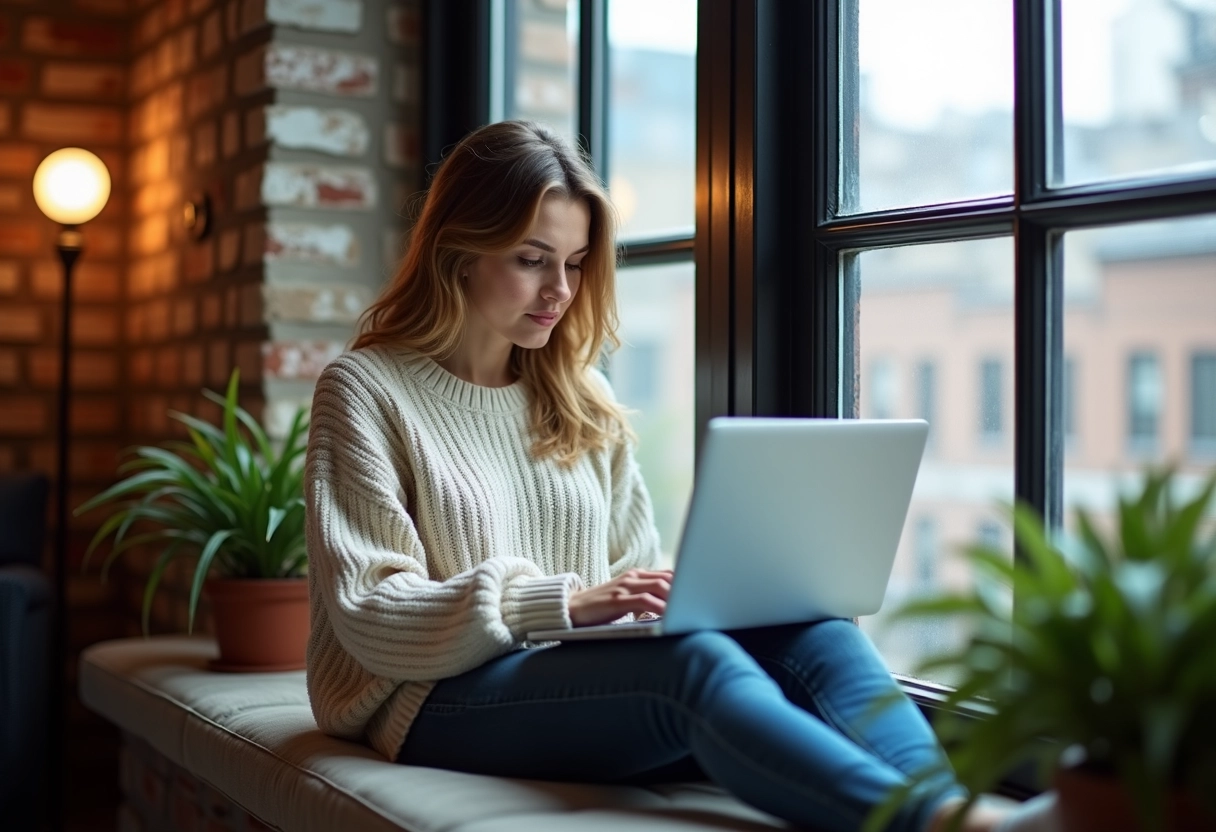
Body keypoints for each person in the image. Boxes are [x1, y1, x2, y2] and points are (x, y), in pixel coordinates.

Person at [303, 120, 1059, 832]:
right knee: (695, 669)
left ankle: (950, 806)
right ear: (458, 252)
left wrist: (671, 602)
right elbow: (370, 611)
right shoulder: (366, 390)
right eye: (532, 260)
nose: (560, 290)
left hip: (565, 678)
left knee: (816, 631)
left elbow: (629, 575)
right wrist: (560, 604)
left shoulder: (579, 395)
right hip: (427, 698)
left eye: (575, 263)